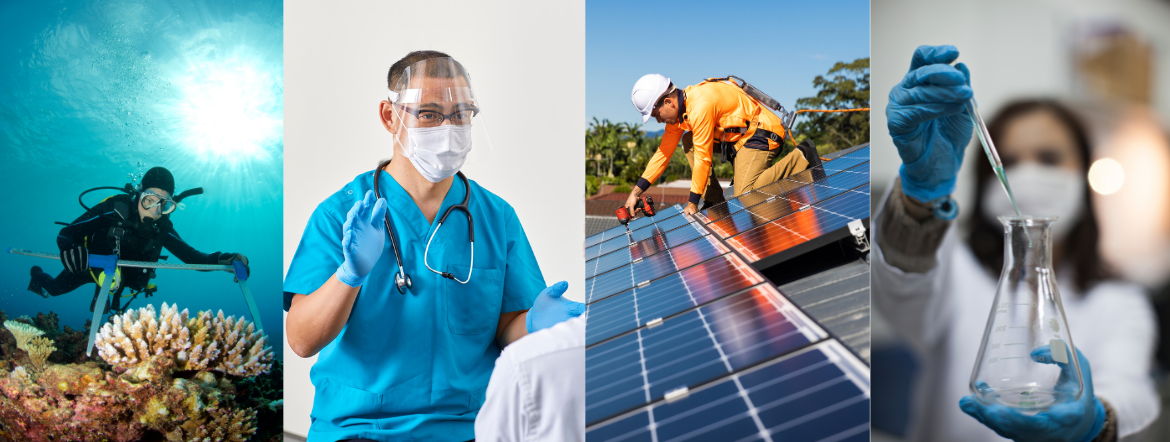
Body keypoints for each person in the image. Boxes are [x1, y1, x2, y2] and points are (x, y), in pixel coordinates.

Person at [283, 51, 584, 442]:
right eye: (428, 113)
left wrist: (534, 324)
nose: (448, 127)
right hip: (361, 428)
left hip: (472, 426)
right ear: (390, 117)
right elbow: (302, 340)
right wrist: (350, 275)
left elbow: (505, 327)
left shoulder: (496, 217)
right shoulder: (342, 213)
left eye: (460, 114)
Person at [873, 45, 1159, 442]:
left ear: (1085, 169)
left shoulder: (1119, 299)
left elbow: (1134, 390)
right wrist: (920, 195)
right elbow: (899, 293)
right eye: (1010, 158)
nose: (1028, 173)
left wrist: (1097, 419)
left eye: (1049, 156)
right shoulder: (955, 268)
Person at [27, 166, 249, 313]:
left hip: (121, 277)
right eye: (150, 200)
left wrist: (225, 260)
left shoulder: (162, 227)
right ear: (139, 195)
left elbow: (193, 258)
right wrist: (69, 248)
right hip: (89, 265)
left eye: (164, 204)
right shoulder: (115, 207)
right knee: (55, 289)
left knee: (104, 310)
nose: (154, 210)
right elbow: (68, 232)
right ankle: (36, 275)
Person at [625, 73, 824, 216]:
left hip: (762, 133)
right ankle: (714, 202)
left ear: (668, 102)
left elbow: (703, 157)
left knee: (747, 192)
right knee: (688, 140)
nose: (658, 120)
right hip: (738, 142)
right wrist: (636, 193)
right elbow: (663, 153)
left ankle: (802, 156)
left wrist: (693, 202)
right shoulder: (680, 115)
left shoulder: (701, 105)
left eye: (655, 114)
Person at [474, 315, 584, 442]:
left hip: (474, 418)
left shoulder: (522, 366)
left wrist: (531, 320)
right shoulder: (520, 365)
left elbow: (507, 325)